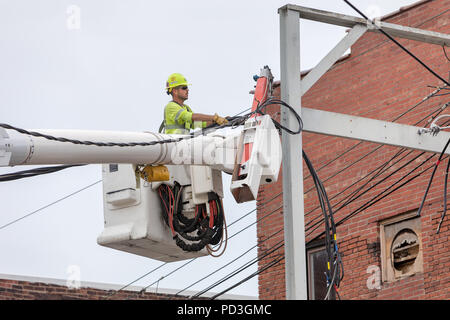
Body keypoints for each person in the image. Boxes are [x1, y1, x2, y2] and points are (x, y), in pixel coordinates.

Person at [162, 73, 228, 134]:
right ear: (175, 91)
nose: (187, 90)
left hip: (183, 143)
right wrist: (215, 118)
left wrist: (219, 121)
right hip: (172, 143)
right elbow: (191, 117)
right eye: (184, 88)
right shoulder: (171, 106)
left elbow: (197, 124)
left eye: (187, 88)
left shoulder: (186, 108)